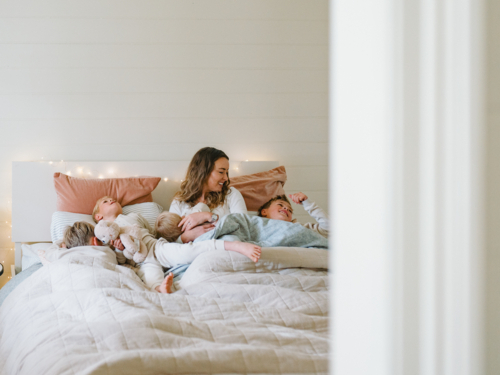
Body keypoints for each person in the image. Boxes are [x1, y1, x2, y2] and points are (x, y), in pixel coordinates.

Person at [91, 196, 261, 293]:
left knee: (188, 252)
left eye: (111, 198)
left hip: (155, 248)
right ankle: (161, 289)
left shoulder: (134, 216)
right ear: (99, 216)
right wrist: (120, 250)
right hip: (142, 261)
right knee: (150, 280)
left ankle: (234, 246)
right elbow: (120, 259)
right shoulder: (103, 234)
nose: (111, 199)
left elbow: (153, 233)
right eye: (105, 201)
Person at [62, 221, 175, 294]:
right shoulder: (106, 251)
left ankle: (157, 290)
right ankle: (156, 290)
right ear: (96, 240)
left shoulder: (62, 256)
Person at [170, 147, 247, 243]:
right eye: (221, 172)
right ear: (203, 172)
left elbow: (245, 230)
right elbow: (170, 241)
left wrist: (208, 216)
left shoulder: (231, 194)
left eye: (227, 172)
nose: (226, 178)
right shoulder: (179, 201)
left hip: (226, 251)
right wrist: (187, 236)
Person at [258, 192, 329, 238]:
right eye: (280, 204)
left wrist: (307, 203)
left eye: (290, 210)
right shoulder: (258, 226)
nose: (286, 208)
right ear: (264, 212)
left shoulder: (299, 227)